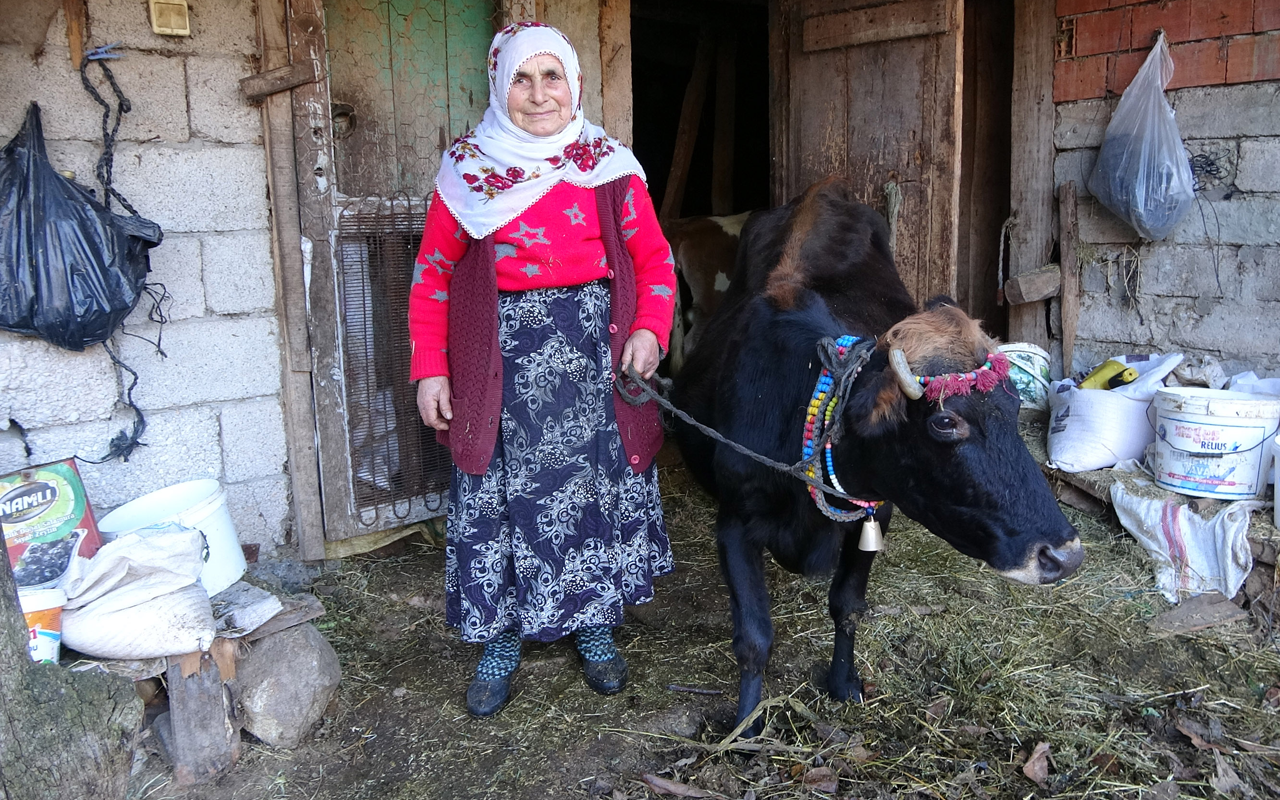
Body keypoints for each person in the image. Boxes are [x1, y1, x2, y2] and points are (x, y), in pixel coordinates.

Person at [408, 22, 676, 718]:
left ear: (575, 84)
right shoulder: (467, 170)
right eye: (522, 79)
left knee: (590, 488)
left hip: (597, 356)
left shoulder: (609, 167)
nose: (538, 94)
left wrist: (648, 330)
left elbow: (655, 264)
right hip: (500, 363)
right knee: (497, 497)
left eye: (551, 77)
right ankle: (500, 639)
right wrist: (431, 368)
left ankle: (592, 626)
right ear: (500, 86)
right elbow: (433, 273)